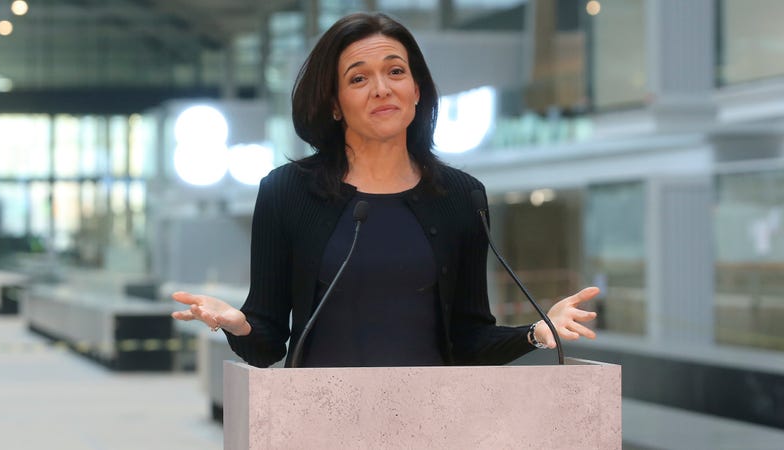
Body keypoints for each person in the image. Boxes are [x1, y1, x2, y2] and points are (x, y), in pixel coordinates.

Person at [171, 12, 598, 367]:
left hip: (432, 423)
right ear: (334, 104)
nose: (382, 88)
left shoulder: (461, 196)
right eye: (358, 79)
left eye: (396, 71)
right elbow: (266, 347)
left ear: (416, 90)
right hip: (318, 423)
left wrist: (536, 333)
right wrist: (237, 324)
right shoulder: (288, 192)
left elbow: (468, 339)